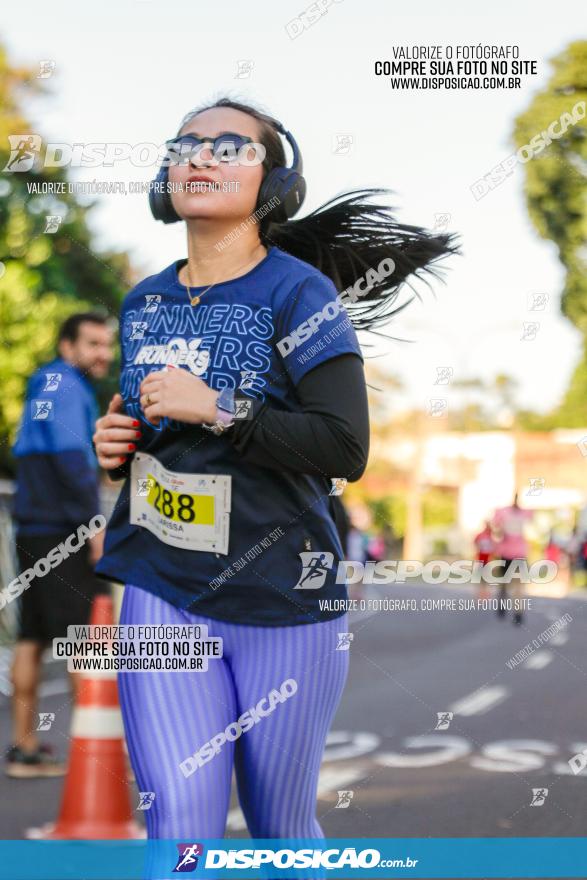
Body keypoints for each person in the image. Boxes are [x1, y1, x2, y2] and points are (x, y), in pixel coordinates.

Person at [93, 98, 455, 841]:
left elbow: (342, 446)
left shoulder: (299, 294)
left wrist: (216, 408)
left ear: (274, 184)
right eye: (184, 145)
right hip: (162, 590)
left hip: (285, 598)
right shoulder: (143, 301)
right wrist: (116, 444)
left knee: (279, 827)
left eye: (228, 148)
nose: (198, 157)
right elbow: (153, 433)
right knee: (181, 826)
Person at [5, 313, 114, 777]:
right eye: (92, 344)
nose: (102, 354)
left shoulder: (40, 384)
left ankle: (24, 748)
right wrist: (94, 528)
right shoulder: (66, 384)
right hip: (63, 530)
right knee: (87, 636)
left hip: (32, 526)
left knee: (32, 636)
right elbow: (73, 460)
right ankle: (98, 752)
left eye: (106, 345)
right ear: (67, 346)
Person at [491, 493, 533, 625]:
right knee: (504, 584)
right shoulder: (503, 513)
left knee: (518, 585)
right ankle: (503, 606)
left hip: (519, 555)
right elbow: (496, 529)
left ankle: (518, 613)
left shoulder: (524, 513)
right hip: (506, 554)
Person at [473, 520, 495, 600]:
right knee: (480, 577)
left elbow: (493, 548)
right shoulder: (480, 535)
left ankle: (485, 593)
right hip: (480, 559)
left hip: (488, 559)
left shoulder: (491, 536)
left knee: (486, 577)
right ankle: (480, 594)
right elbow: (475, 542)